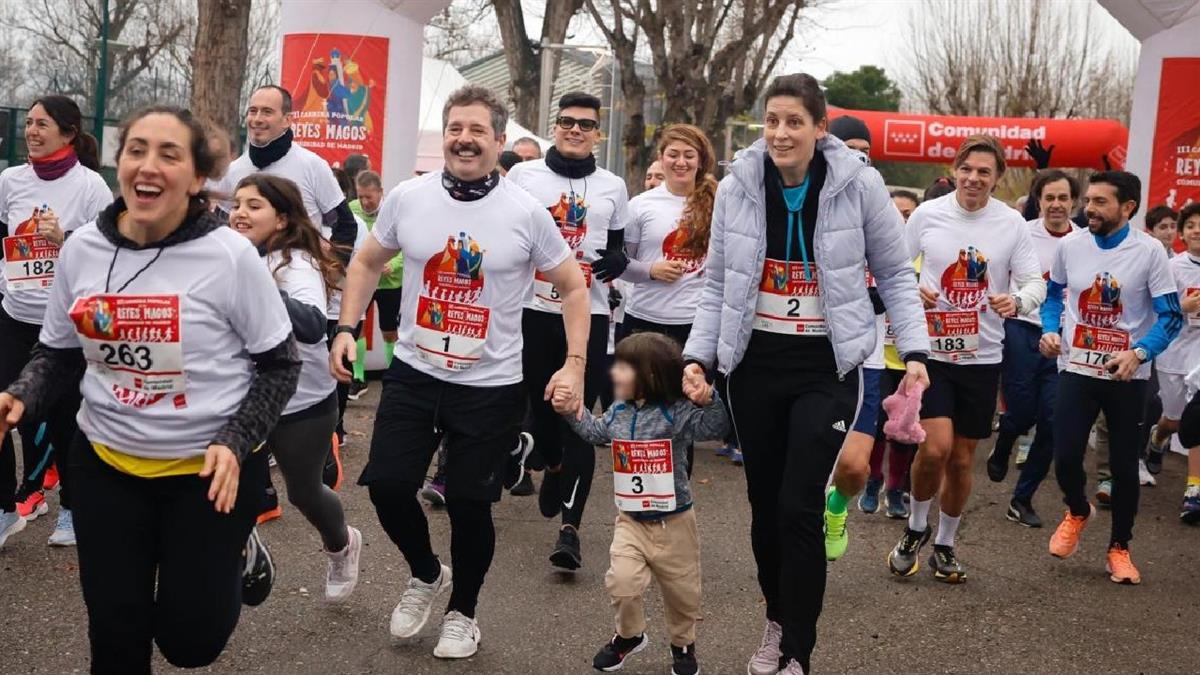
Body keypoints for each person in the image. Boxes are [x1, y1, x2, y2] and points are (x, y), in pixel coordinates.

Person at [0, 105, 301, 672]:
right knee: (117, 632)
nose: (149, 165)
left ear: (197, 177)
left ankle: (234, 555)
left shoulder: (230, 256)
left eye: (169, 154)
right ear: (121, 165)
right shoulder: (84, 247)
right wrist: (21, 395)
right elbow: (59, 352)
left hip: (208, 475)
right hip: (106, 467)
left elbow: (281, 365)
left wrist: (236, 440)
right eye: (137, 149)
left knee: (190, 644)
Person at [328, 84, 590, 659]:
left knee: (471, 505)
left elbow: (572, 287)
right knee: (390, 487)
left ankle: (463, 611)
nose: (464, 139)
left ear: (499, 141)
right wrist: (346, 329)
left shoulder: (525, 212)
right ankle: (426, 572)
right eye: (455, 128)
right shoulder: (408, 197)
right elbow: (368, 261)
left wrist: (574, 365)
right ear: (444, 135)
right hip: (418, 372)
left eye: (477, 131)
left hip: (490, 383)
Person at [681, 73, 930, 675]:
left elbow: (895, 274)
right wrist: (699, 356)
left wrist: (916, 352)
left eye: (795, 121)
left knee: (798, 506)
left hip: (827, 365)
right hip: (756, 364)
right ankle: (776, 618)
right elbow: (717, 283)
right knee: (765, 508)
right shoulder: (739, 185)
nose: (781, 133)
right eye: (772, 121)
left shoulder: (860, 185)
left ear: (820, 128)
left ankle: (798, 649)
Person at [888, 134, 1045, 584]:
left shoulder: (1011, 224)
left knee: (960, 459)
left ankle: (945, 542)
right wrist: (913, 285)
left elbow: (1035, 283)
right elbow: (894, 267)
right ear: (955, 169)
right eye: (967, 169)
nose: (974, 179)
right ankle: (916, 528)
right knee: (933, 448)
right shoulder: (927, 214)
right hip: (931, 353)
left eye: (984, 172)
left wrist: (1016, 301)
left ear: (997, 179)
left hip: (983, 355)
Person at [553, 332, 728, 675]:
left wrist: (709, 399)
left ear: (650, 377)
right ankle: (629, 636)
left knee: (683, 593)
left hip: (675, 521)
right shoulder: (618, 411)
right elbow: (595, 432)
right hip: (631, 519)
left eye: (623, 368)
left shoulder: (675, 413)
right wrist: (573, 411)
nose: (614, 373)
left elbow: (715, 425)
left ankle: (682, 644)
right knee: (622, 581)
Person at [506, 91, 630, 571]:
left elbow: (618, 245)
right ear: (554, 127)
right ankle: (553, 466)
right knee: (539, 410)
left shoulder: (612, 185)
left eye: (585, 124)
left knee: (578, 416)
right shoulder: (523, 176)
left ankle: (570, 530)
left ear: (598, 132)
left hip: (590, 316)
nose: (575, 130)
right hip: (531, 310)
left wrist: (617, 260)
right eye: (566, 122)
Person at [1041, 171, 1182, 585]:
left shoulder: (1150, 251)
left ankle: (1119, 547)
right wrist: (1051, 330)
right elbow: (1054, 297)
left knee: (1123, 466)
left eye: (1101, 203)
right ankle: (1078, 509)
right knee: (1065, 455)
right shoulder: (1071, 244)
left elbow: (1171, 316)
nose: (1090, 210)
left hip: (1127, 376)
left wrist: (1138, 354)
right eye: (1089, 201)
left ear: (1128, 208)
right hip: (1077, 367)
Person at [229, 173, 363, 600]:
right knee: (224, 487)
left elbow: (308, 326)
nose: (240, 213)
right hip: (242, 398)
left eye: (254, 206)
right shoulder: (229, 257)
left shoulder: (295, 263)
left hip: (300, 401)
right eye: (236, 204)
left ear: (282, 219)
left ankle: (342, 544)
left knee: (304, 492)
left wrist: (264, 291)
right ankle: (237, 545)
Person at [0, 95, 112, 549]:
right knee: (2, 412)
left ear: (68, 133)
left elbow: (109, 257)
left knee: (67, 418)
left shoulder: (91, 188)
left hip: (64, 325)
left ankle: (70, 507)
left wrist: (64, 240)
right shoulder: (10, 181)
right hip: (13, 313)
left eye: (41, 124)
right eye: (28, 123)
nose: (31, 131)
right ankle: (6, 509)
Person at [987, 170, 1080, 528]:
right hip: (1022, 331)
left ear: (1073, 202)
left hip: (1064, 341)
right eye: (1049, 197)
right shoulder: (1022, 234)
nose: (1056, 205)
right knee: (1024, 412)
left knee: (1053, 422)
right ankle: (1007, 435)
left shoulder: (1083, 242)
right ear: (1038, 201)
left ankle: (1022, 498)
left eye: (1063, 198)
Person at [211, 85, 358, 256]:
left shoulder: (312, 165)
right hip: (246, 278)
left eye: (267, 112)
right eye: (252, 111)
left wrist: (330, 272)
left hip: (298, 277)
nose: (257, 119)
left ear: (287, 120)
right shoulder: (233, 171)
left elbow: (346, 226)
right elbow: (219, 228)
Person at [1144, 202, 1200, 522]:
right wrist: (1183, 305)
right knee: (1176, 420)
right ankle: (1158, 436)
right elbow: (1155, 310)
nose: (1197, 230)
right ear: (1182, 233)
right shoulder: (1173, 267)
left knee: (1198, 419)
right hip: (1175, 352)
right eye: (1191, 225)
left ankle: (1193, 491)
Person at [346, 170, 400, 401]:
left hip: (390, 283)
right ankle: (358, 378)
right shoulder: (351, 209)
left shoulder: (393, 210)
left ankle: (393, 377)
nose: (365, 202)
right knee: (357, 326)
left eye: (369, 196)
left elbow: (406, 244)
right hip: (364, 280)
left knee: (389, 331)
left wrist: (393, 265)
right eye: (361, 196)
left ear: (380, 192)